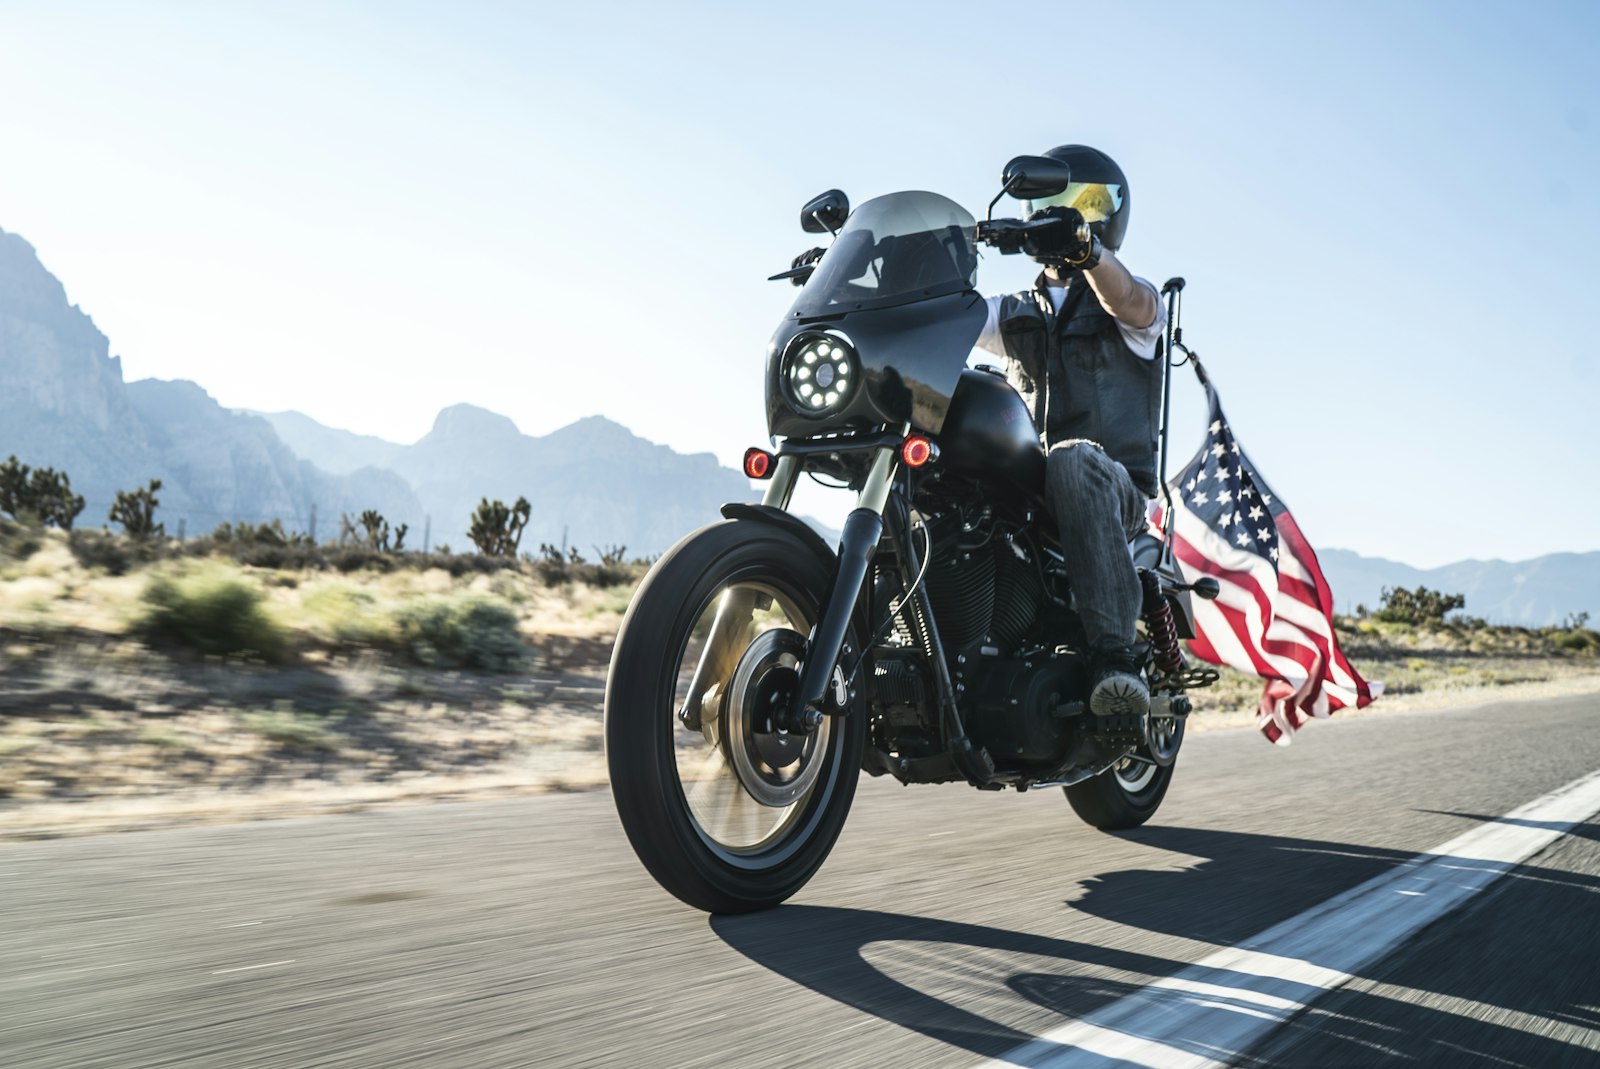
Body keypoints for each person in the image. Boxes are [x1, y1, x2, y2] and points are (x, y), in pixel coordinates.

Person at [974, 144, 1165, 721]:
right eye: (1050, 201)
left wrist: (1087, 251)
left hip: (1112, 491)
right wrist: (873, 276)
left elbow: (1126, 298)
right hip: (1031, 491)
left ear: (1104, 214)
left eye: (1080, 203)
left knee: (1072, 458)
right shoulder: (1011, 313)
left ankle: (1116, 661)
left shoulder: (1134, 307)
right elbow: (941, 316)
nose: (1062, 211)